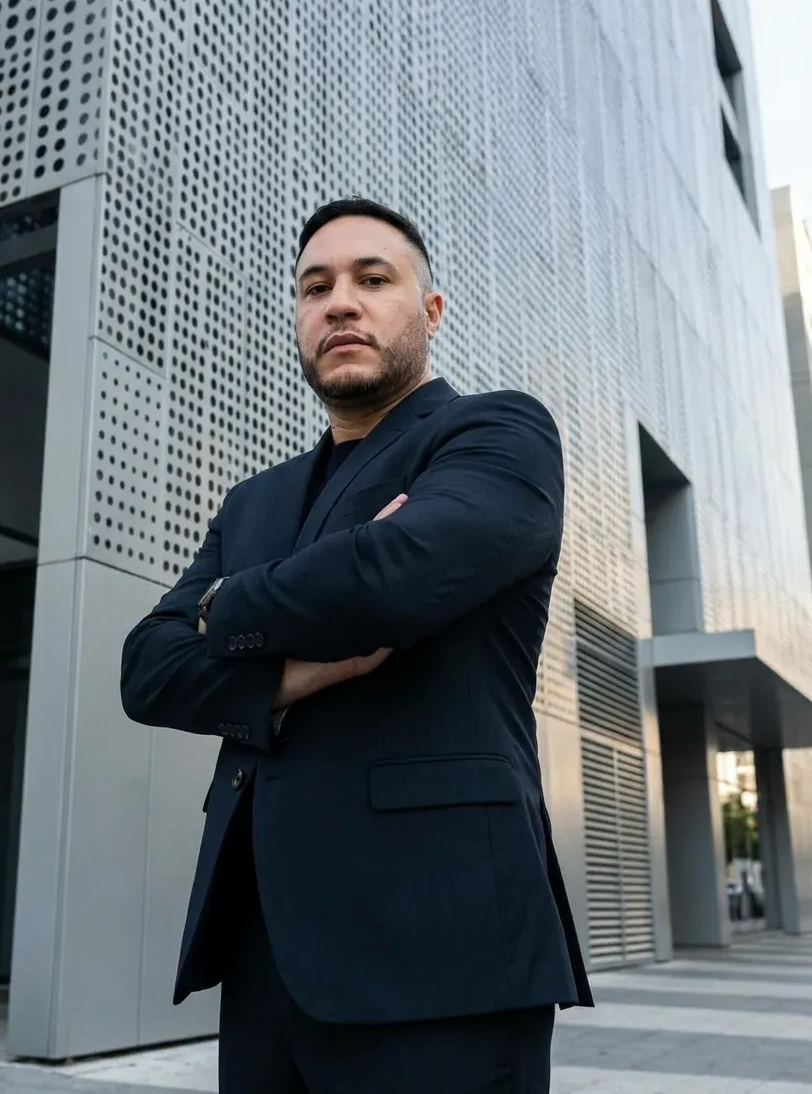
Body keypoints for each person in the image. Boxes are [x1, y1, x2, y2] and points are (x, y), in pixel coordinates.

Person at [120, 196, 593, 1093]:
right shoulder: (254, 502)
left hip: (441, 949)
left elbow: (395, 575)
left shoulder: (497, 433)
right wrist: (291, 672)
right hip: (263, 951)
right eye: (315, 287)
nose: (340, 301)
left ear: (430, 311)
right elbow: (147, 669)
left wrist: (218, 609)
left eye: (373, 279)